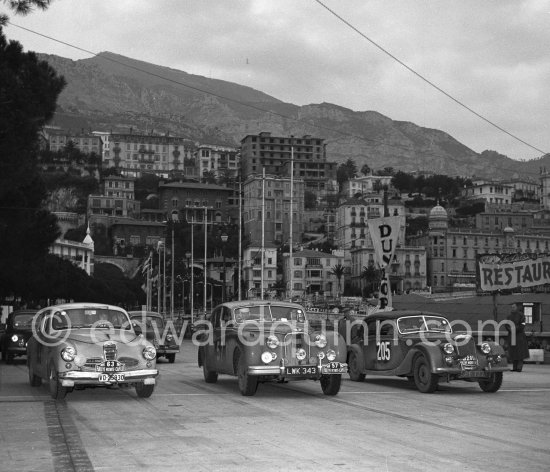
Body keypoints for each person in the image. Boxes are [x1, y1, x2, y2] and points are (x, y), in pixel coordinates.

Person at [506, 303, 530, 372]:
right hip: (512, 336)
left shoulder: (521, 315)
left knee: (520, 352)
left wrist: (515, 329)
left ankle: (519, 368)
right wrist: (510, 329)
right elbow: (506, 325)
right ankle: (514, 367)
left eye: (514, 307)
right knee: (513, 352)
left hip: (519, 336)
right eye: (512, 307)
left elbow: (523, 324)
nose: (512, 308)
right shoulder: (509, 316)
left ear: (517, 307)